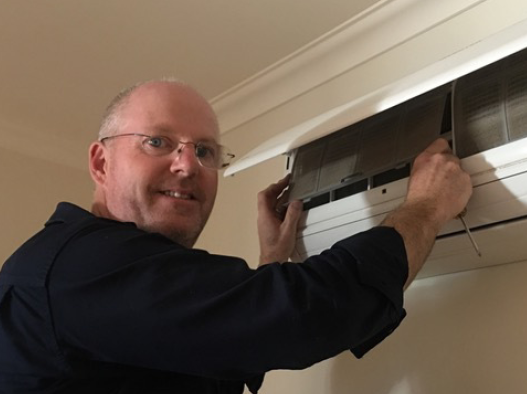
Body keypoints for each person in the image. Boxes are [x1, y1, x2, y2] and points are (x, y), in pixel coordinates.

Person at [0, 80, 472, 393]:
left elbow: (226, 347)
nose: (187, 166)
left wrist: (271, 261)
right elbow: (301, 318)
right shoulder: (80, 268)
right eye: (158, 142)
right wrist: (427, 208)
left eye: (204, 150)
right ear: (101, 163)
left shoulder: (88, 274)